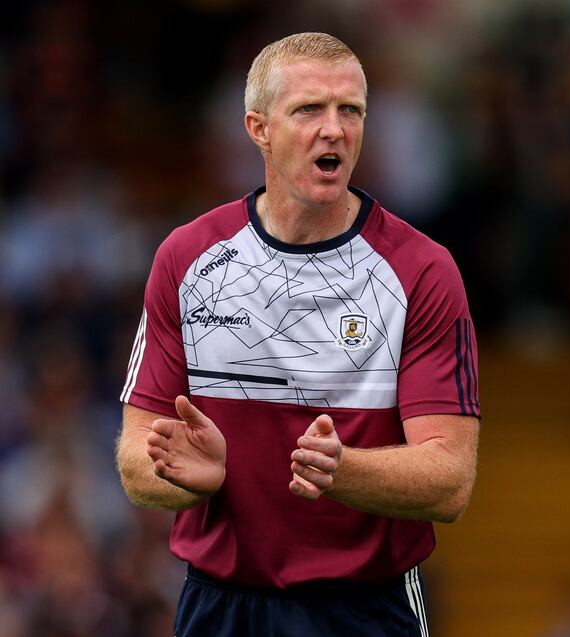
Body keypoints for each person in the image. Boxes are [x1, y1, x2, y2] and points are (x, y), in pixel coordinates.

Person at [115, 32, 481, 637]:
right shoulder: (187, 258)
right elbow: (135, 461)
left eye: (350, 110)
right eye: (310, 109)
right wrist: (184, 482)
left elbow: (450, 483)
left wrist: (342, 470)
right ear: (258, 128)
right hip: (221, 606)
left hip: (365, 609)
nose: (334, 129)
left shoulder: (422, 269)